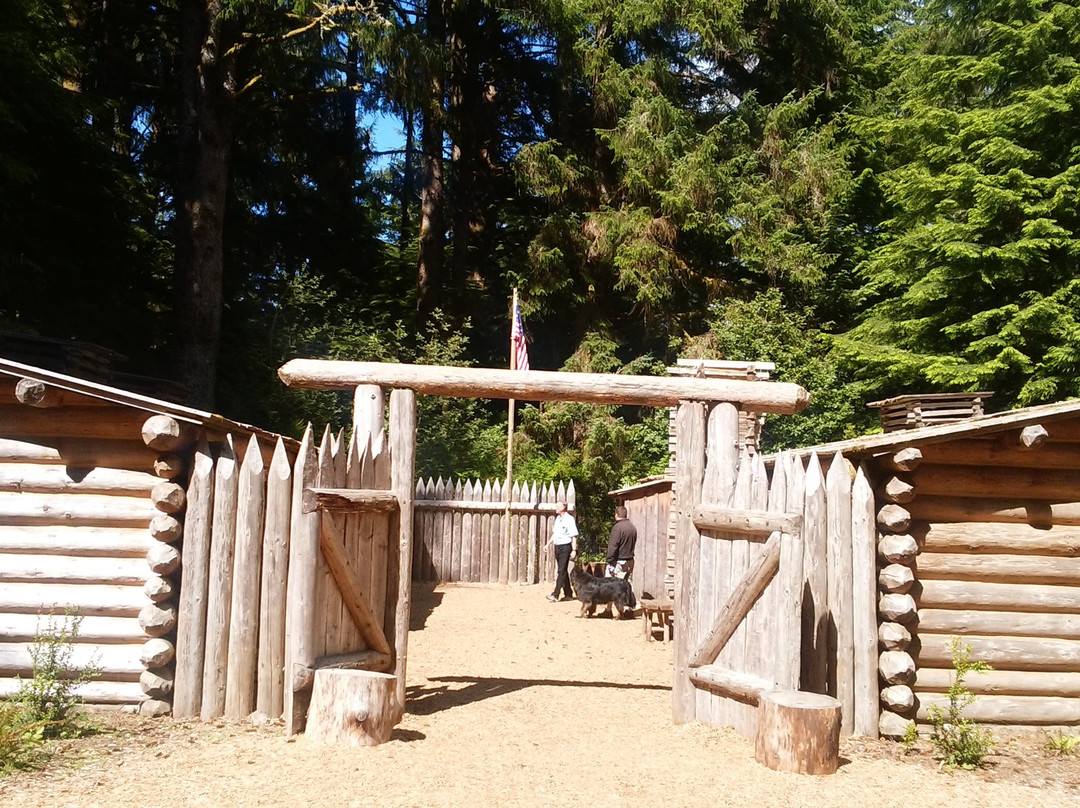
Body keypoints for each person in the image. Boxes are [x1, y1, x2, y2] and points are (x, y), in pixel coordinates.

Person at [546, 501, 578, 601]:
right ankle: (568, 594)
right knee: (563, 570)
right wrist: (548, 544)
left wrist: (574, 550)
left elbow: (574, 535)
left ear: (563, 508)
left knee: (560, 571)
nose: (556, 507)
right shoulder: (558, 519)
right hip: (558, 546)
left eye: (557, 506)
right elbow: (555, 533)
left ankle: (555, 594)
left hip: (565, 547)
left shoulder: (569, 519)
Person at [605, 504, 636, 581]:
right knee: (628, 584)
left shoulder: (617, 528)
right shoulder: (632, 527)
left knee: (612, 586)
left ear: (616, 515)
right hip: (630, 560)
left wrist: (610, 561)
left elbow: (613, 546)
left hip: (619, 562)